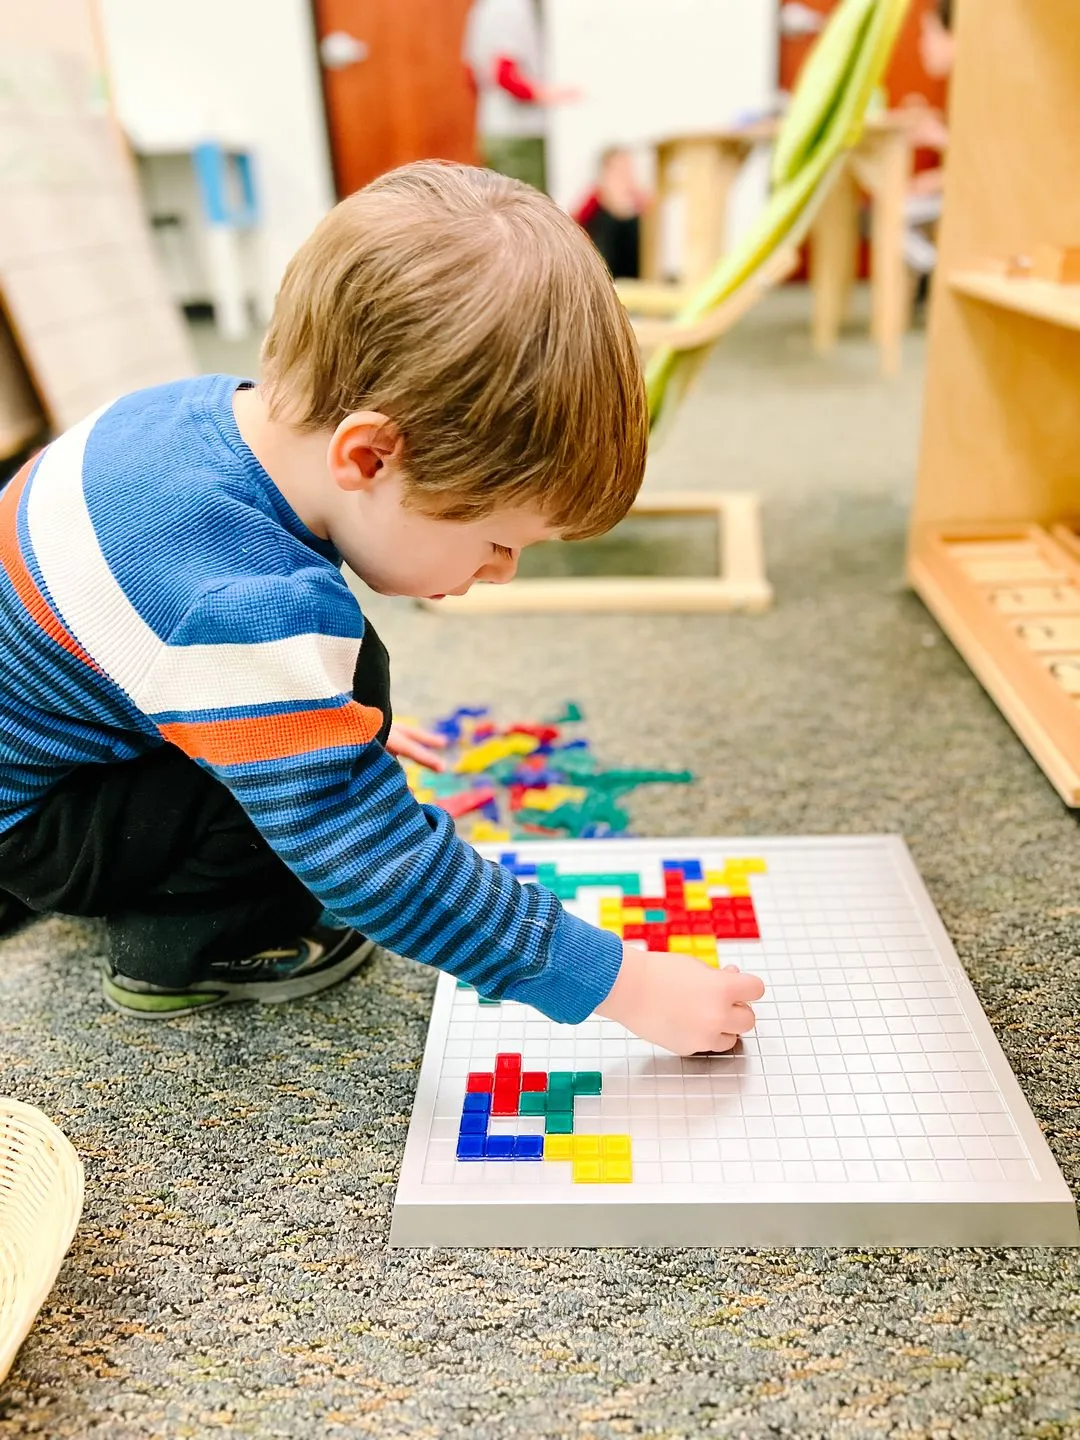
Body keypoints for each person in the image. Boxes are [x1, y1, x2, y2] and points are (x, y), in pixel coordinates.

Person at [0, 161, 764, 1056]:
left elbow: (131, 641)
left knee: (335, 681)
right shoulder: (247, 606)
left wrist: (284, 711)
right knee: (334, 742)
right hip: (36, 826)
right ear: (367, 457)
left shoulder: (190, 413)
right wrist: (624, 985)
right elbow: (374, 857)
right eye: (496, 541)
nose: (504, 572)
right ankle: (192, 949)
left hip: (45, 756)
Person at [463, 0, 578, 192]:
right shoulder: (511, 8)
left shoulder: (482, 9)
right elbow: (505, 75)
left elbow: (470, 75)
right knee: (529, 213)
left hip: (493, 130)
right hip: (520, 135)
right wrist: (552, 94)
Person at [572, 147, 650, 281]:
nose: (627, 176)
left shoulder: (642, 206)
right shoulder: (591, 206)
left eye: (629, 170)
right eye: (619, 171)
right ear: (605, 174)